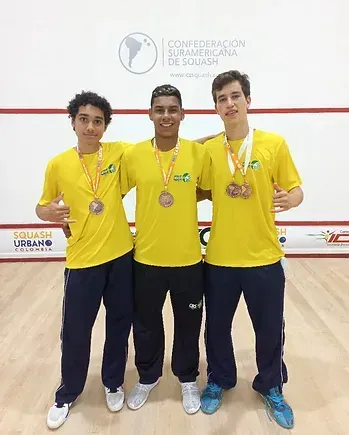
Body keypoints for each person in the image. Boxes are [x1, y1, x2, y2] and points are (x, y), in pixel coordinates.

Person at [200, 71, 303, 429]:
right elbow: (184, 179)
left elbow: (296, 189)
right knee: (216, 328)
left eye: (235, 96)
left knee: (270, 329)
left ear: (248, 100)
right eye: (221, 99)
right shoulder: (209, 151)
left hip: (264, 258)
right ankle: (219, 379)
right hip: (219, 260)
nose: (229, 104)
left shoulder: (274, 144)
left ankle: (271, 384)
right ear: (215, 107)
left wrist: (291, 198)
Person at [36, 91, 134, 429]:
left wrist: (219, 137)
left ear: (105, 126)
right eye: (84, 120)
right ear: (73, 122)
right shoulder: (59, 164)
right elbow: (43, 206)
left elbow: (163, 150)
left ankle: (112, 382)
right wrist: (47, 213)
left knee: (119, 325)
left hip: (122, 258)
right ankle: (67, 392)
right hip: (81, 263)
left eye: (97, 121)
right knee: (76, 331)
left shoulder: (119, 153)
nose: (91, 126)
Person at [120, 84, 210, 415]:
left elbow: (210, 190)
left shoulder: (198, 154)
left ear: (183, 115)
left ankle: (187, 377)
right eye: (160, 109)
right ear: (150, 114)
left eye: (173, 109)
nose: (166, 115)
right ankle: (147, 376)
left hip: (188, 260)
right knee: (145, 322)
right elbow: (110, 193)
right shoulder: (133, 156)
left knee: (188, 322)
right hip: (146, 259)